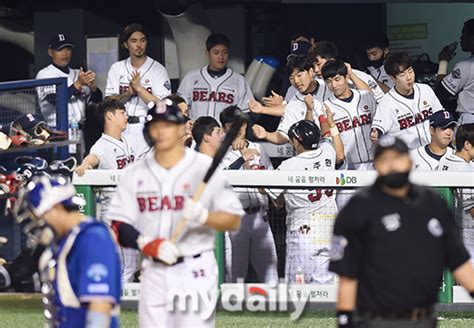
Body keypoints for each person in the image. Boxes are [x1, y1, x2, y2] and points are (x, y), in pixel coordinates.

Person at [105, 100, 243, 327]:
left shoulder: (203, 167)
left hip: (195, 270)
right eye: (156, 126)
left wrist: (204, 216)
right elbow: (118, 224)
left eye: (168, 125)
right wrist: (146, 243)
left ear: (180, 128)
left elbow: (233, 219)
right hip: (154, 271)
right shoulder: (136, 173)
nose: (162, 132)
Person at [329, 136, 474, 328]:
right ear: (376, 166)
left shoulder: (432, 203)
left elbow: (459, 262)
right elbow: (347, 274)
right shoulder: (358, 209)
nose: (392, 165)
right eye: (385, 160)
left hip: (422, 320)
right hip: (375, 321)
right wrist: (344, 319)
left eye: (397, 158)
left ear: (409, 161)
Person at [14, 175, 121, 327]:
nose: (39, 225)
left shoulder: (93, 239)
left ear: (56, 207)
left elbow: (100, 304)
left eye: (39, 217)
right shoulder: (66, 241)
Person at [270, 117, 343, 284]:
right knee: (326, 289)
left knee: (297, 289)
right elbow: (327, 134)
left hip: (303, 231)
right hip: (329, 228)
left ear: (296, 141)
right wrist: (325, 118)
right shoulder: (328, 152)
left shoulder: (288, 166)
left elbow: (276, 201)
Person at [74, 100, 137, 283]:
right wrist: (85, 164)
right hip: (113, 209)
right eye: (122, 112)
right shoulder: (101, 145)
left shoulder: (128, 140)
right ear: (110, 116)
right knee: (126, 266)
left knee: (133, 263)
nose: (126, 116)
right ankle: (119, 303)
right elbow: (94, 157)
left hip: (131, 207)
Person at [219, 106, 278, 284]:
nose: (236, 130)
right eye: (231, 126)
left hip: (261, 217)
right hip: (235, 219)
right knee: (235, 275)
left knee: (270, 273)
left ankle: (274, 310)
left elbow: (272, 177)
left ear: (245, 126)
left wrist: (275, 198)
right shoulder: (219, 152)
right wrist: (242, 159)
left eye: (240, 125)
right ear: (224, 129)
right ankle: (231, 311)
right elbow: (219, 182)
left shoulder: (258, 148)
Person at [105, 23, 171, 157]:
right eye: (133, 41)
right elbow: (108, 101)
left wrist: (140, 89)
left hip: (147, 125)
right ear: (125, 44)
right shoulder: (117, 68)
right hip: (122, 126)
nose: (139, 45)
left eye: (142, 40)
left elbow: (164, 105)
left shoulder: (158, 69)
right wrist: (128, 93)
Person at [36, 33, 102, 153]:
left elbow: (96, 101)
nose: (65, 53)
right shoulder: (44, 74)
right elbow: (54, 100)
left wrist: (93, 88)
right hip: (57, 133)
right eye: (60, 49)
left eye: (68, 49)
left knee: (80, 168)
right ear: (51, 52)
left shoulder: (77, 73)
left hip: (79, 132)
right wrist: (78, 84)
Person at [251, 56, 331, 145]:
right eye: (292, 78)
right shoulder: (294, 103)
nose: (296, 81)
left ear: (311, 72)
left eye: (299, 75)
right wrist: (266, 135)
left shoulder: (330, 85)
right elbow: (281, 136)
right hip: (316, 152)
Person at [371, 52, 444, 149]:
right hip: (408, 158)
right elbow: (378, 128)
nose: (409, 77)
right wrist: (376, 133)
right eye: (402, 74)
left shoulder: (425, 90)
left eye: (410, 71)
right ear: (392, 77)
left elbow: (441, 116)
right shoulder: (387, 102)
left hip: (433, 151)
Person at [177, 33, 254, 121]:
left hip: (226, 133)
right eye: (216, 52)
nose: (221, 57)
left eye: (225, 53)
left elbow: (246, 112)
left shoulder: (239, 81)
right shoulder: (191, 77)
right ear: (207, 53)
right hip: (196, 132)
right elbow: (180, 107)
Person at [322, 59, 377, 169]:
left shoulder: (365, 96)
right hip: (348, 166)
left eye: (337, 79)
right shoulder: (326, 107)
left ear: (347, 77)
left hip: (376, 161)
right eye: (329, 81)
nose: (333, 85)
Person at [437, 124, 474, 264]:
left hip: (450, 232)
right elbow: (472, 210)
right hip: (468, 236)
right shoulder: (465, 171)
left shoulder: (444, 160)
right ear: (467, 144)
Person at [311, 41, 385, 102]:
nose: (316, 70)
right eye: (313, 66)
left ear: (331, 60)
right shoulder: (315, 82)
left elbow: (374, 99)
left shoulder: (358, 75)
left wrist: (352, 76)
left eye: (319, 64)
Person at [436, 19, 474, 125]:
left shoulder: (466, 66)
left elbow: (441, 93)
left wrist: (443, 62)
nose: (461, 38)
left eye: (464, 33)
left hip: (469, 124)